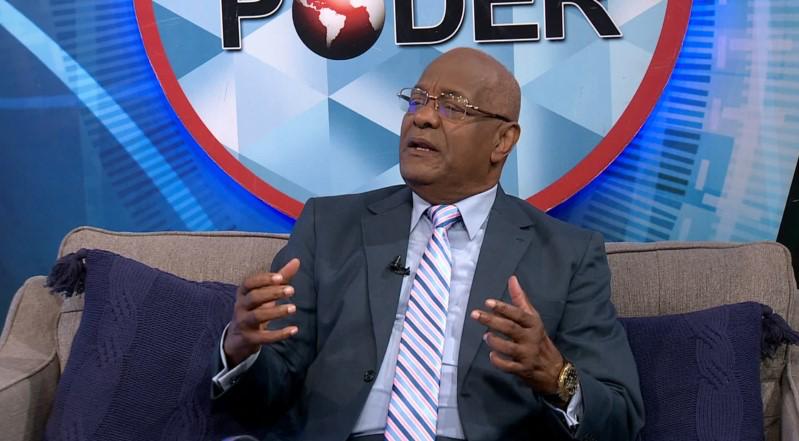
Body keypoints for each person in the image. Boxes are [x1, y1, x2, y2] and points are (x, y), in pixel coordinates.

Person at [211, 47, 644, 441]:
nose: (423, 118)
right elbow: (265, 396)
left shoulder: (568, 254)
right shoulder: (328, 226)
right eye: (417, 101)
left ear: (502, 141)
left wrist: (555, 375)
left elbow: (621, 418)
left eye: (452, 107)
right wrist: (242, 350)